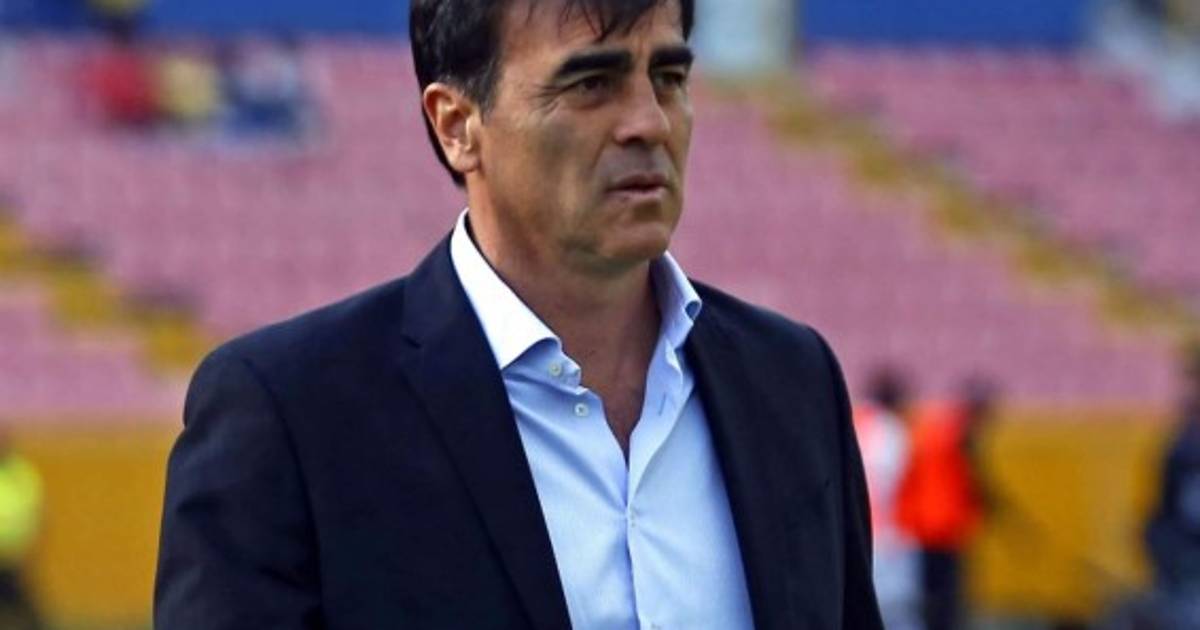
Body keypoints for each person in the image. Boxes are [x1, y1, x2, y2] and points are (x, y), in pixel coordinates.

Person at [153, 1, 883, 628]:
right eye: (591, 83)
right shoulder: (293, 414)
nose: (648, 122)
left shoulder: (793, 381)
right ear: (457, 126)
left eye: (669, 77)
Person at [855, 367, 923, 630]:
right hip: (888, 534)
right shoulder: (892, 429)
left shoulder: (853, 419)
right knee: (897, 613)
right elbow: (892, 481)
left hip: (857, 532)